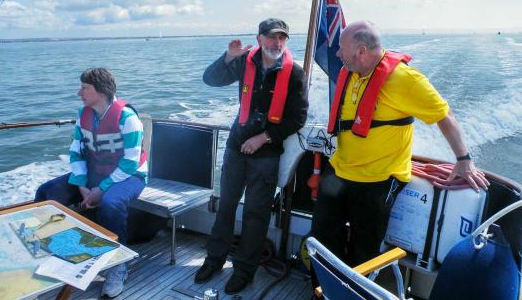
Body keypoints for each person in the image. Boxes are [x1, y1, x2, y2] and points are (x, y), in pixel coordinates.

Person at [311, 20, 489, 268]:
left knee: (364, 251)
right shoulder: (349, 72)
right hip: (340, 171)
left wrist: (464, 160)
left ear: (361, 51)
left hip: (377, 181)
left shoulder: (406, 80)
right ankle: (323, 291)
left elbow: (444, 116)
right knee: (321, 239)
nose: (338, 54)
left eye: (342, 48)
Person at [194, 18, 308, 294]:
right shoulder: (245, 61)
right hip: (236, 147)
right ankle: (214, 260)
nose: (276, 43)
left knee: (256, 214)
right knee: (226, 206)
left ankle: (244, 270)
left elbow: (298, 118)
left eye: (282, 38)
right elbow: (210, 79)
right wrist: (228, 57)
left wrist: (264, 137)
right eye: (271, 37)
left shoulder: (294, 73)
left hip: (266, 153)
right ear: (259, 39)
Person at [35, 67, 147, 298]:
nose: (80, 93)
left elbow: (130, 163)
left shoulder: (128, 118)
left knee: (111, 203)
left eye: (84, 88)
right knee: (47, 193)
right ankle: (60, 254)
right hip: (93, 175)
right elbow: (76, 153)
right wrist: (82, 185)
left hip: (129, 176)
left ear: (101, 90)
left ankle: (118, 265)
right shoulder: (83, 115)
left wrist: (101, 189)